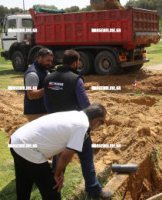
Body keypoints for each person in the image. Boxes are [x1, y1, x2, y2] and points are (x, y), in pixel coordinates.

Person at [44, 49, 112, 199]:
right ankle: (94, 191)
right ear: (75, 62)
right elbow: (85, 106)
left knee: (58, 159)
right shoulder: (76, 79)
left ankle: (53, 192)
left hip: (57, 127)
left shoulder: (49, 78)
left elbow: (47, 104)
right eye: (78, 61)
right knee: (86, 158)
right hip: (76, 126)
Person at [9, 104, 107, 200]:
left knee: (24, 182)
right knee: (52, 189)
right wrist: (57, 172)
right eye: (101, 122)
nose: (101, 125)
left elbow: (61, 146)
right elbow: (67, 154)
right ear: (94, 121)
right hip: (28, 148)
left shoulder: (75, 115)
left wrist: (58, 170)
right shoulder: (82, 125)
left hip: (16, 141)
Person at [24, 48, 54, 121]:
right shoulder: (32, 74)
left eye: (51, 61)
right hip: (35, 114)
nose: (50, 63)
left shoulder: (44, 70)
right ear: (40, 58)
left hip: (43, 112)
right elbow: (31, 94)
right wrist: (49, 88)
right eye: (48, 60)